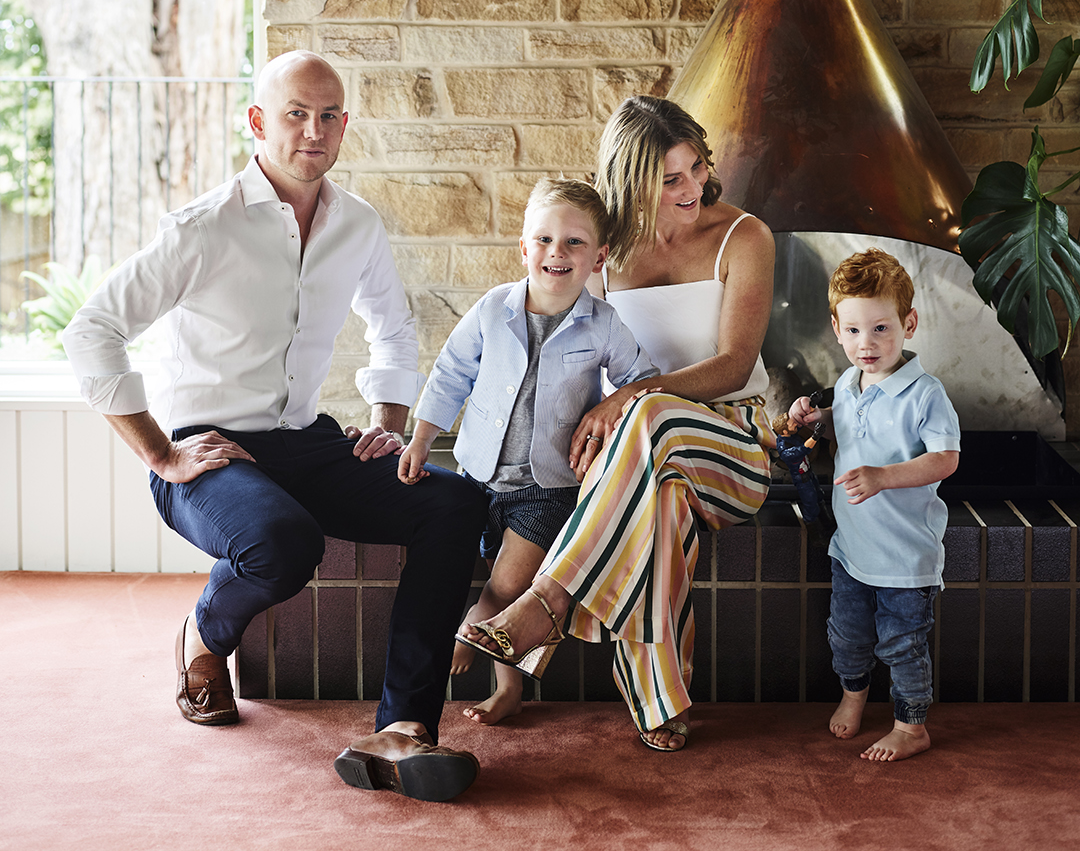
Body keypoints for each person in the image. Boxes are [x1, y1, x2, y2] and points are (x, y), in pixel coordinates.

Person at [62, 51, 488, 803]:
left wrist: (388, 422)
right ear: (258, 121)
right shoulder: (203, 228)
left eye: (328, 116)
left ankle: (404, 726)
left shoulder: (356, 223)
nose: (313, 130)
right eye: (295, 113)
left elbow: (392, 326)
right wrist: (161, 454)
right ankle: (202, 639)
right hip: (212, 451)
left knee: (453, 503)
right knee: (285, 542)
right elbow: (91, 330)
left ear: (345, 126)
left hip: (306, 439)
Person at [459, 96, 775, 752]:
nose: (690, 189)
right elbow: (572, 356)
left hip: (734, 446)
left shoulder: (744, 236)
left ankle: (547, 602)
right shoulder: (606, 253)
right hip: (646, 452)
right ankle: (660, 700)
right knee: (660, 503)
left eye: (695, 168)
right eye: (669, 178)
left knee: (650, 416)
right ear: (632, 180)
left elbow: (735, 363)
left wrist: (631, 397)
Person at [398, 177, 657, 726]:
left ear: (600, 256)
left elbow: (643, 380)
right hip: (476, 475)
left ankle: (469, 632)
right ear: (523, 247)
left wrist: (613, 411)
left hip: (548, 486)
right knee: (489, 575)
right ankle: (510, 688)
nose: (556, 253)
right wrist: (421, 439)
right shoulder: (494, 310)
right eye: (542, 239)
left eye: (573, 243)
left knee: (509, 586)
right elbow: (451, 373)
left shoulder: (603, 323)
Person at [787, 248, 960, 763]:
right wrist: (815, 418)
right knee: (847, 636)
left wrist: (885, 477)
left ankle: (912, 725)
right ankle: (853, 694)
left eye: (882, 329)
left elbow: (946, 459)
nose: (868, 344)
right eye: (856, 331)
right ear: (837, 329)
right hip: (852, 551)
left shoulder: (926, 395)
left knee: (903, 644)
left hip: (905, 558)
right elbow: (847, 424)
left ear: (908, 324)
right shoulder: (847, 383)